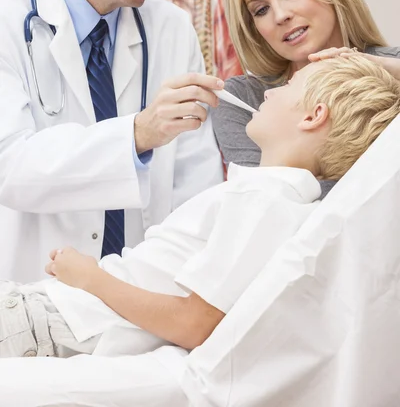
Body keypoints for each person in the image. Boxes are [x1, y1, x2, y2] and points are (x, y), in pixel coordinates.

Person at [0, 54, 399, 407]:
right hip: (49, 316)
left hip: (51, 322)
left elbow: (195, 323)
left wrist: (91, 278)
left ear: (313, 115)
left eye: (288, 86)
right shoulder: (270, 197)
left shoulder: (266, 201)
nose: (270, 92)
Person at [0, 0, 225, 283]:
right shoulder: (6, 19)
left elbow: (196, 195)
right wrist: (139, 134)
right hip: (27, 302)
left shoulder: (172, 30)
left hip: (142, 310)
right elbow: (10, 167)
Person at [212, 0, 400, 197]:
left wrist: (383, 69)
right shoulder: (244, 101)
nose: (280, 15)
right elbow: (261, 200)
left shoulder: (392, 70)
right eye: (261, 9)